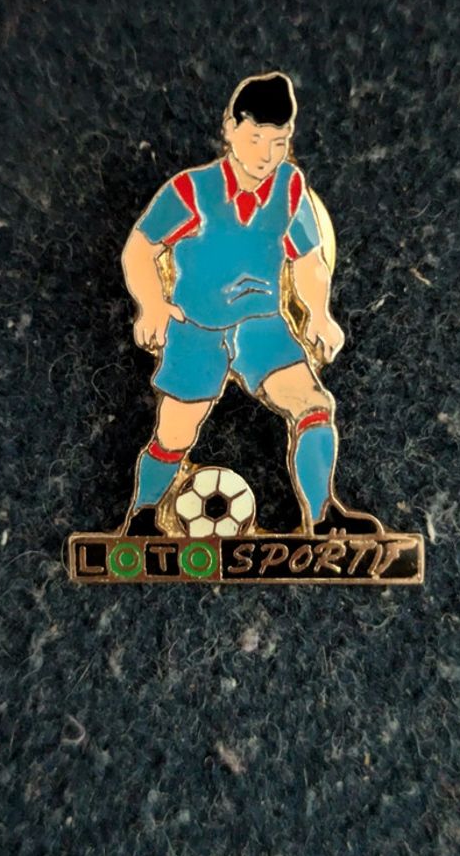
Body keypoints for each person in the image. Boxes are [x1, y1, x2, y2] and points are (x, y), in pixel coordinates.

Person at [120, 72, 377, 536]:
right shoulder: (191, 190)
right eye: (256, 138)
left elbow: (309, 261)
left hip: (262, 326)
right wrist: (152, 306)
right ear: (230, 129)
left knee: (313, 404)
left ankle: (323, 517)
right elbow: (140, 248)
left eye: (278, 143)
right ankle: (141, 517)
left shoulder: (290, 189)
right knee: (175, 433)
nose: (266, 154)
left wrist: (319, 313)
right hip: (198, 329)